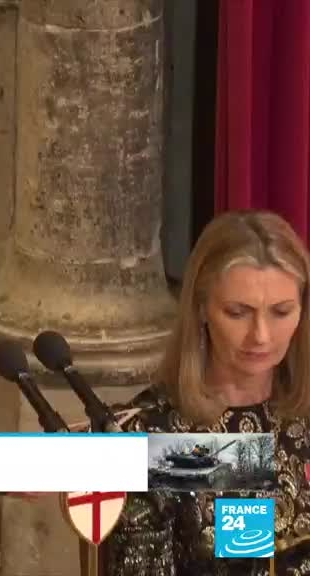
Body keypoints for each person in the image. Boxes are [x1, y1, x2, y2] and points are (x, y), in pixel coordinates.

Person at [101, 211, 310, 575]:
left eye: (281, 312)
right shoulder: (156, 438)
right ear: (201, 308)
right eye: (238, 312)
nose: (261, 335)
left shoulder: (301, 413)